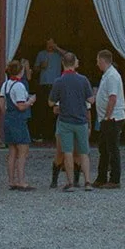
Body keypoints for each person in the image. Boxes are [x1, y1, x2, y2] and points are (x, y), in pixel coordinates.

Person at [49, 52, 94, 191]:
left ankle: (70, 183)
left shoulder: (59, 81)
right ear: (75, 63)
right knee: (83, 153)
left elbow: (51, 102)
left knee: (67, 152)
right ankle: (87, 182)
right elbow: (91, 100)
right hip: (81, 120)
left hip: (65, 121)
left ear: (63, 63)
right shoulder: (83, 80)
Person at [91, 48, 125, 189]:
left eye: (97, 61)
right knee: (104, 148)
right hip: (107, 118)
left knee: (112, 149)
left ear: (102, 60)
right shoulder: (107, 75)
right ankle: (101, 177)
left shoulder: (112, 76)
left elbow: (112, 97)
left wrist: (107, 116)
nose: (97, 63)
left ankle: (115, 179)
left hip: (112, 118)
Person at [0, 59, 35, 190]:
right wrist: (30, 101)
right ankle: (21, 181)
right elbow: (21, 106)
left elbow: (1, 104)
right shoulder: (19, 86)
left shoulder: (5, 84)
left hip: (9, 118)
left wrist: (8, 114)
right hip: (18, 120)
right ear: (21, 71)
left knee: (12, 151)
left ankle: (11, 180)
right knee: (22, 151)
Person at [33, 38, 65, 142]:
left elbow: (69, 57)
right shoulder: (41, 54)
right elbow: (35, 69)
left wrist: (57, 48)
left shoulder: (58, 54)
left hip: (56, 86)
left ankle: (54, 134)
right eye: (48, 43)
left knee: (55, 110)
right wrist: (40, 66)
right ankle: (42, 134)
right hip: (43, 85)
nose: (50, 45)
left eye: (51, 43)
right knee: (43, 110)